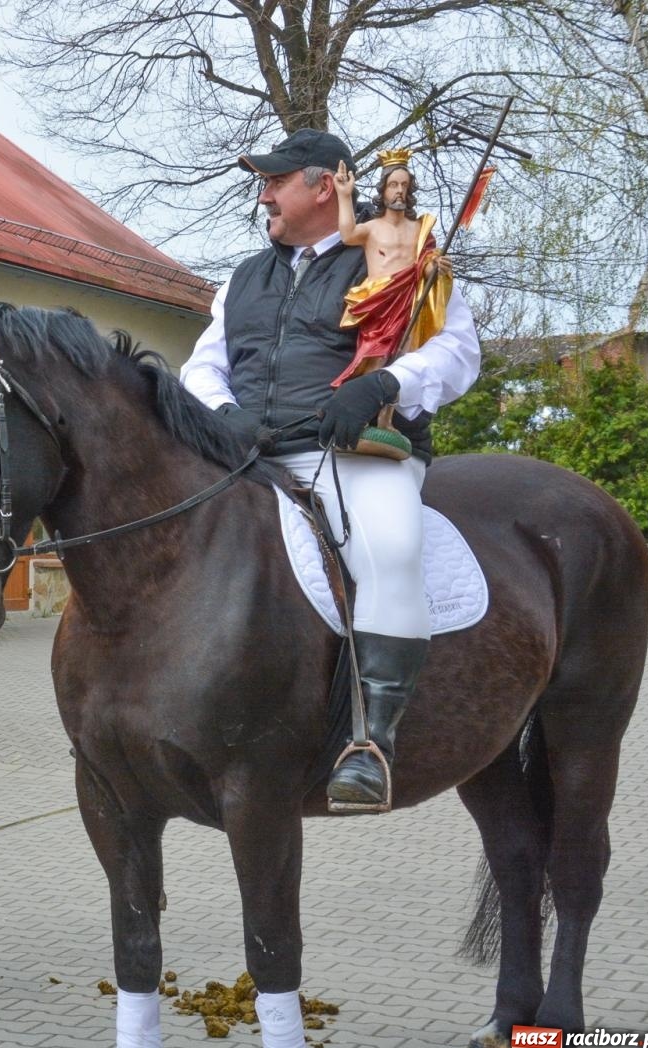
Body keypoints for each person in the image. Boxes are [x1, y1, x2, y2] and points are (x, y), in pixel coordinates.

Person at [179, 129, 481, 809]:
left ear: (325, 186)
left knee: (392, 548)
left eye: (275, 181)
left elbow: (459, 352)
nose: (263, 195)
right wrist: (223, 412)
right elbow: (203, 364)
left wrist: (386, 387)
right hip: (249, 453)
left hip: (352, 452)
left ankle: (372, 744)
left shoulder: (399, 254)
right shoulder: (243, 278)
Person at [332, 150, 454, 386]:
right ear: (383, 190)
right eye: (393, 185)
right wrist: (344, 196)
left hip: (408, 304)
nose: (399, 191)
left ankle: (387, 418)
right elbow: (347, 235)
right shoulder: (372, 228)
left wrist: (436, 267)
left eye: (404, 185)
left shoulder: (420, 229)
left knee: (403, 363)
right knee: (373, 358)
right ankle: (367, 411)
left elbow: (425, 266)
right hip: (380, 305)